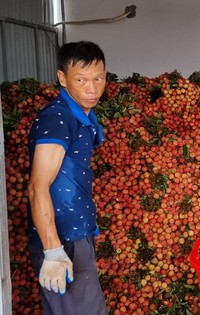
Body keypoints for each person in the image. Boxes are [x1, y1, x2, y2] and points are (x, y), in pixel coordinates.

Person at [27, 41, 108, 315]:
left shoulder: (82, 114)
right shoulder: (57, 119)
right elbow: (38, 186)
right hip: (63, 239)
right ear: (62, 78)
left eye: (98, 78)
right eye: (81, 79)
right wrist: (53, 251)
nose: (92, 88)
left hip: (76, 233)